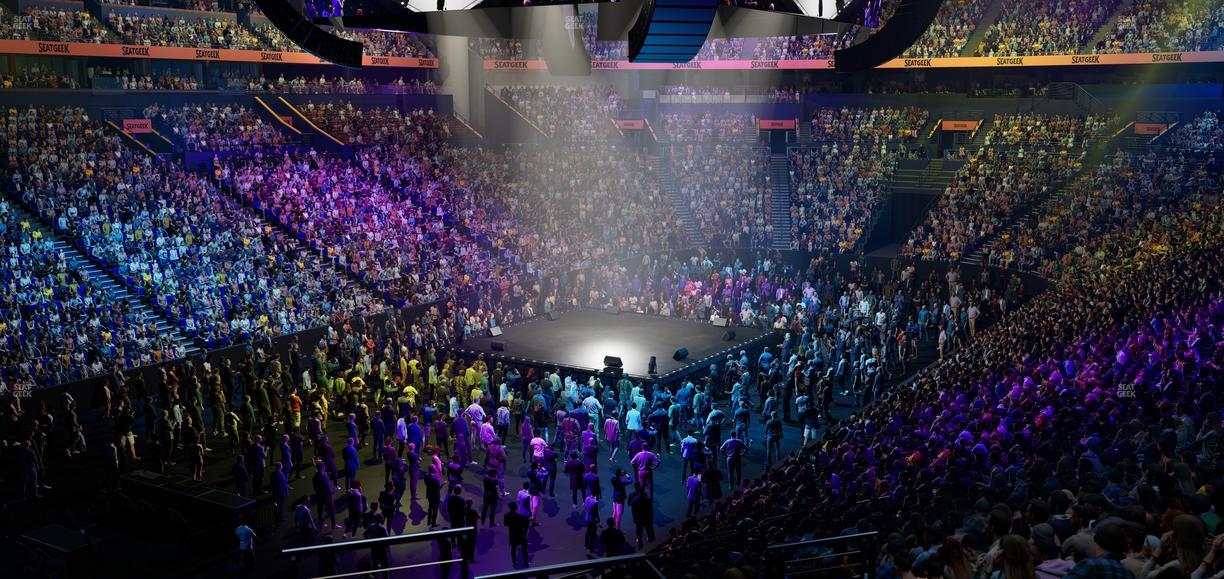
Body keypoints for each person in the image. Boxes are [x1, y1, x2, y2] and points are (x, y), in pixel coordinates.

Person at [312, 462, 339, 529]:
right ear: (323, 468)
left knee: (320, 511)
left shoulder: (315, 477)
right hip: (327, 496)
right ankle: (334, 525)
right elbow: (327, 487)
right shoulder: (324, 476)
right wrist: (332, 492)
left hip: (319, 496)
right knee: (332, 510)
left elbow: (315, 487)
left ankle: (321, 524)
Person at [504, 502, 530, 568]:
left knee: (513, 547)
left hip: (512, 533)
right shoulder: (519, 516)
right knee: (524, 548)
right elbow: (526, 521)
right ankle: (526, 562)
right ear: (515, 507)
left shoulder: (506, 515)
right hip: (520, 533)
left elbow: (505, 524)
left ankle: (514, 562)